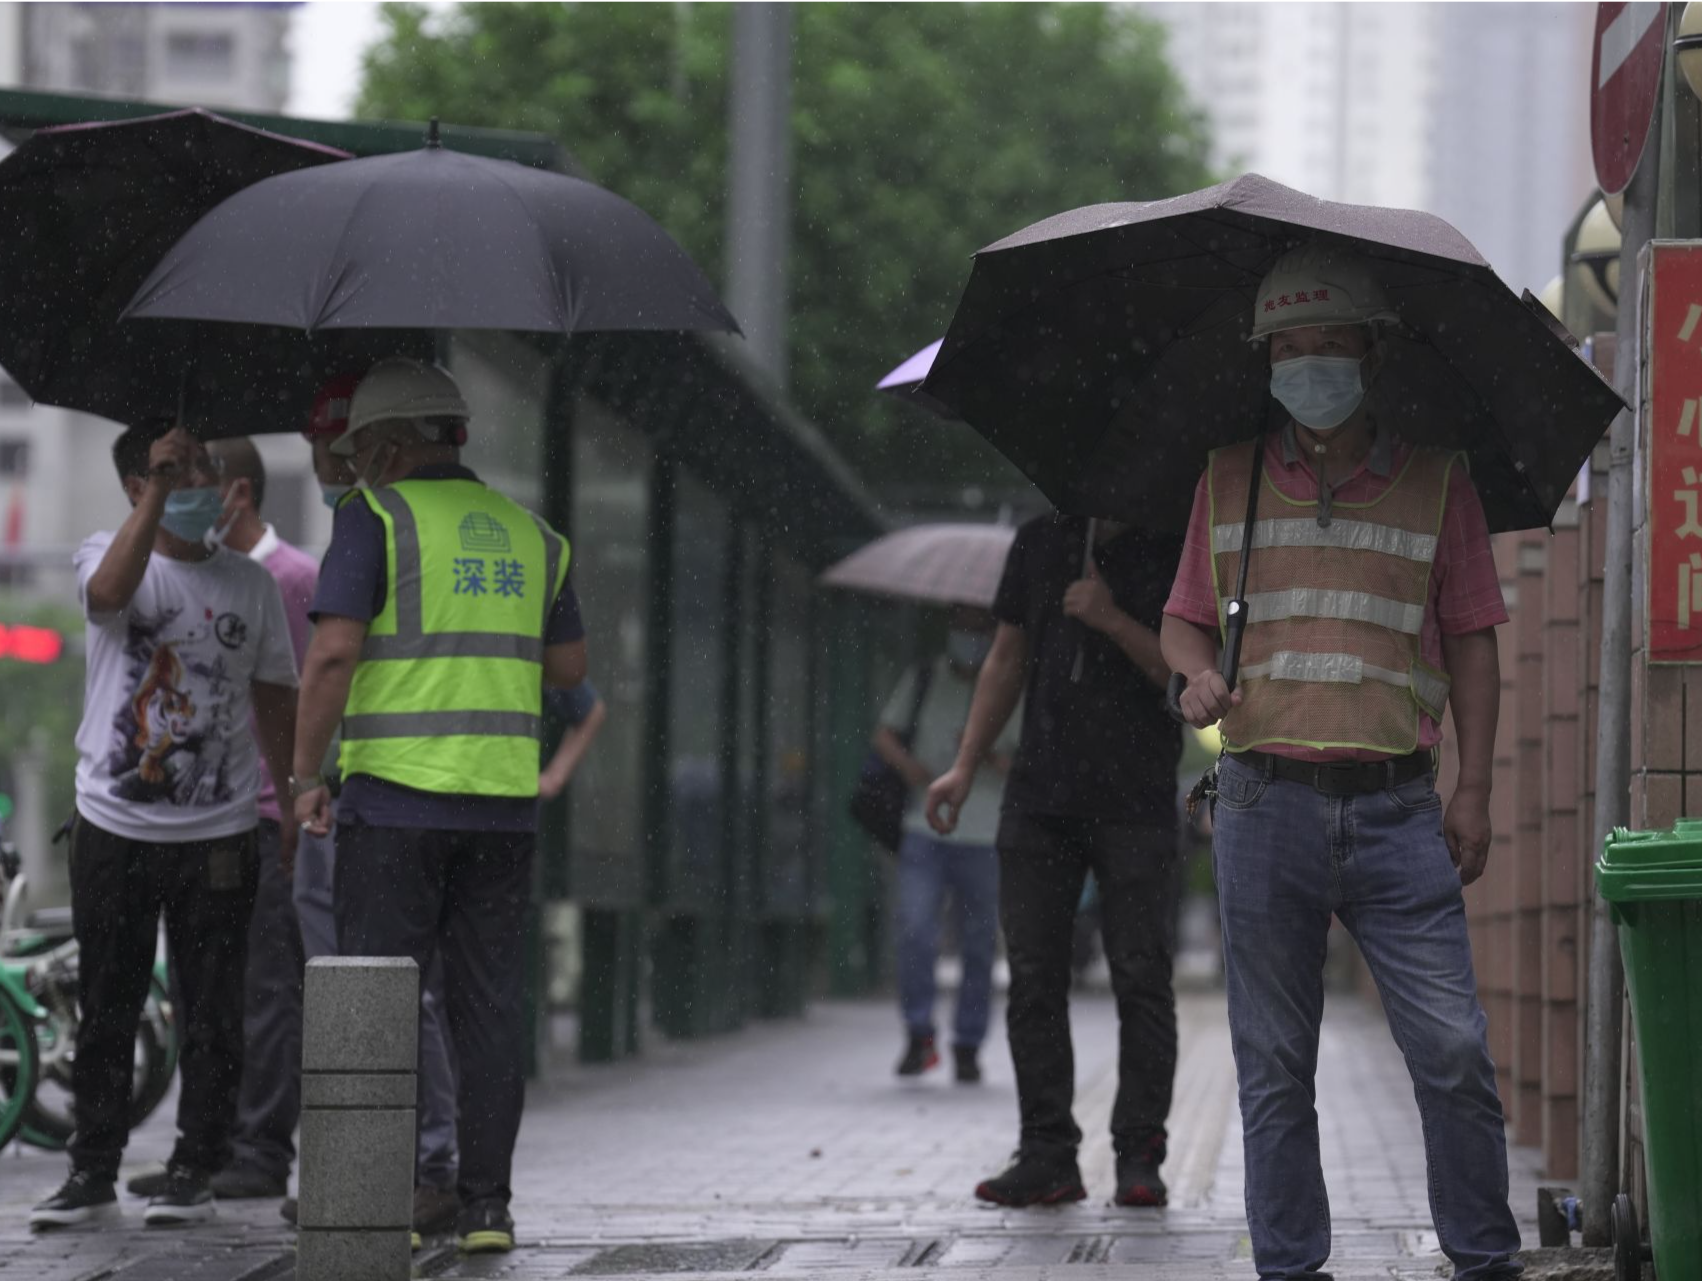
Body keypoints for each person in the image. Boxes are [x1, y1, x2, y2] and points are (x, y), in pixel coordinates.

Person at [1159, 244, 1520, 1280]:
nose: (1306, 364)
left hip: (1401, 813)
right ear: (1264, 361)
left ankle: (1485, 1258)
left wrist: (1478, 786)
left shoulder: (1438, 483)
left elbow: (1474, 639)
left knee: (1452, 1052)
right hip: (1263, 801)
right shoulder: (1226, 481)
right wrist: (1193, 681)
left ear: (1371, 352)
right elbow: (1182, 623)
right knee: (1272, 1070)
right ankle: (1289, 1266)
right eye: (1286, 347)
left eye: (1326, 344)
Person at [291, 358, 588, 1256]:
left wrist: (306, 773)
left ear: (387, 445)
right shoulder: (534, 534)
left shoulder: (372, 518)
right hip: (500, 806)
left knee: (374, 999)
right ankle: (486, 1205)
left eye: (360, 449)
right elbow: (569, 670)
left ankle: (366, 1202)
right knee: (488, 1004)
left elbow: (334, 654)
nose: (354, 465)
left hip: (396, 800)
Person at [32, 425, 298, 1230]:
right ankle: (91, 1168)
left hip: (218, 833)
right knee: (108, 1002)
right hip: (113, 826)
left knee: (214, 1008)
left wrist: (289, 801)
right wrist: (155, 494)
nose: (199, 481)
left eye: (205, 467)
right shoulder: (104, 554)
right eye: (175, 469)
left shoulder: (249, 584)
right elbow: (109, 600)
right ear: (134, 485)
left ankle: (195, 1164)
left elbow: (276, 696)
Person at [926, 513, 1184, 1208]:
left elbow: (1187, 677)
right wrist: (963, 765)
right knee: (1035, 976)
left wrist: (1112, 618)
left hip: (1137, 797)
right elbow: (1006, 655)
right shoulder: (1041, 540)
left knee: (1141, 974)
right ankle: (1047, 1150)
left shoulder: (1175, 540)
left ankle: (1139, 1152)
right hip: (1040, 796)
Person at [871, 607, 1018, 1084]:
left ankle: (968, 1043)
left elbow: (1035, 758)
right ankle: (918, 1032)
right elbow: (884, 733)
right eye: (962, 627)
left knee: (978, 945)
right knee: (915, 928)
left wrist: (985, 756)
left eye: (979, 629)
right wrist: (911, 767)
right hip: (924, 826)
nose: (968, 639)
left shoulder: (1013, 681)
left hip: (985, 832)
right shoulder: (924, 678)